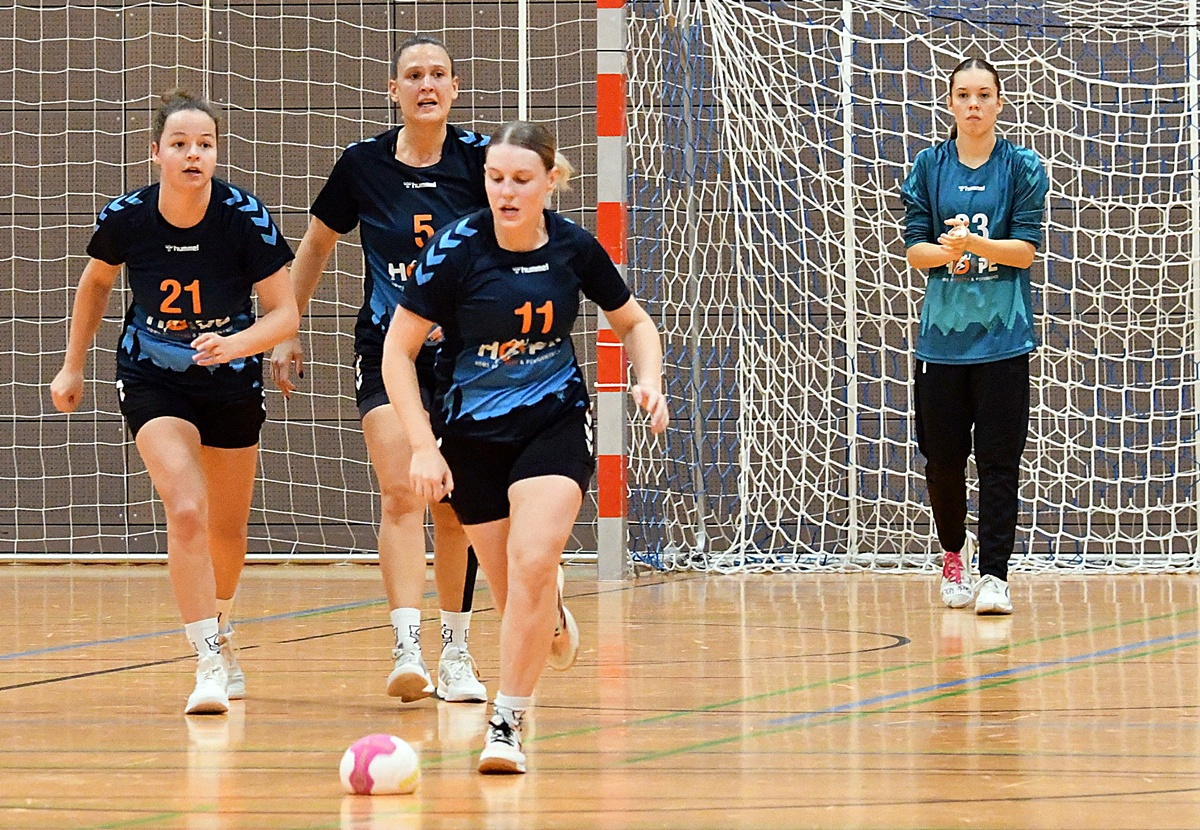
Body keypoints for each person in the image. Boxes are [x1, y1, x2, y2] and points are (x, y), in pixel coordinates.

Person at [382, 120, 669, 773]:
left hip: (553, 424)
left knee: (534, 558)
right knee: (516, 595)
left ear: (549, 181)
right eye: (495, 179)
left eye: (520, 180)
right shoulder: (455, 250)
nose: (506, 192)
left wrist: (647, 379)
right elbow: (398, 353)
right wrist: (423, 446)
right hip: (472, 438)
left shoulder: (573, 248)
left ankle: (506, 722)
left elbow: (634, 322)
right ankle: (553, 617)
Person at [50, 89, 298, 713]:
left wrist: (236, 344)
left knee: (229, 531)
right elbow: (97, 283)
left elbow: (285, 312)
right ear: (156, 151)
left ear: (217, 153)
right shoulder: (127, 216)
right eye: (181, 144)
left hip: (231, 379)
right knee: (186, 508)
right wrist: (72, 365)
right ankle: (207, 660)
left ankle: (221, 625)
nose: (194, 155)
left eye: (206, 145)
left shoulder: (246, 216)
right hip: (153, 374)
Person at [269, 36, 489, 704]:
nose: (426, 84)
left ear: (454, 89)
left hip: (465, 356)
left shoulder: (482, 161)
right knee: (400, 492)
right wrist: (287, 328)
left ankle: (456, 651)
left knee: (455, 510)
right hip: (388, 350)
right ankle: (406, 646)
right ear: (394, 91)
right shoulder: (361, 165)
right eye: (413, 75)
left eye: (438, 75)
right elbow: (313, 248)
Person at [899, 57, 1050, 616]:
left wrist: (974, 246)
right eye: (963, 94)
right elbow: (916, 251)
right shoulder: (927, 167)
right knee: (942, 459)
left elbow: (1025, 251)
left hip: (1003, 342)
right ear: (950, 103)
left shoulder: (1023, 167)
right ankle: (952, 557)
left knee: (998, 459)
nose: (973, 104)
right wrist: (947, 253)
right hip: (941, 345)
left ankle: (995, 576)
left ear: (999, 103)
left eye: (984, 94)